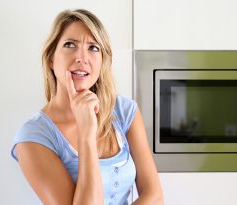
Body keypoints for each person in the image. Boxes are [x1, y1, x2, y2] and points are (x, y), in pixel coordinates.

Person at [11, 9, 163, 205]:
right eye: (70, 45)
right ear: (51, 58)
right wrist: (86, 133)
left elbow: (155, 196)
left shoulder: (124, 111)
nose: (82, 58)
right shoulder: (33, 137)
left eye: (93, 48)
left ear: (102, 61)